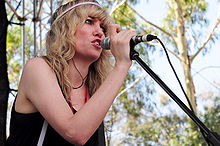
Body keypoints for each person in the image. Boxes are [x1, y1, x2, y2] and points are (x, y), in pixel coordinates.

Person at [6, 0, 136, 145]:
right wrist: (122, 65)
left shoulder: (95, 92)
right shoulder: (37, 68)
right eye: (88, 21)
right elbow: (74, 132)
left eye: (103, 28)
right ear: (65, 29)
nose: (99, 32)